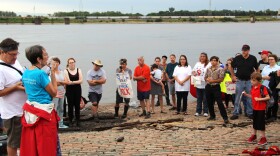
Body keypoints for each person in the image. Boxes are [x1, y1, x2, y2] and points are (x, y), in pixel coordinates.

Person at [20, 45, 59, 155]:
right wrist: (53, 73)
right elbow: (54, 92)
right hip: (44, 113)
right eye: (45, 55)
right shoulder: (41, 73)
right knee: (46, 146)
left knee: (33, 145)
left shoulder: (26, 72)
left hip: (31, 111)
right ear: (38, 59)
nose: (47, 57)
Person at [0, 38, 26, 156]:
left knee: (22, 141)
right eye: (12, 55)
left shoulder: (15, 62)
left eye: (17, 54)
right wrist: (15, 87)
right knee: (13, 143)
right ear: (2, 52)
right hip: (12, 113)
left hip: (22, 110)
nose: (15, 57)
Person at [230, 44, 259, 120]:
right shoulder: (238, 58)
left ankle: (249, 112)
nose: (244, 51)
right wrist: (233, 76)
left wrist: (257, 77)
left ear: (248, 50)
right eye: (243, 50)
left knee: (249, 98)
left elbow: (257, 68)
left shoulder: (253, 58)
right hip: (240, 80)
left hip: (249, 81)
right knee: (237, 97)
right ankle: (236, 112)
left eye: (245, 50)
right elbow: (231, 67)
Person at [244, 72, 270, 145]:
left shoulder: (262, 87)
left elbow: (268, 97)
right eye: (251, 80)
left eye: (254, 80)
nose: (252, 82)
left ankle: (263, 137)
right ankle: (254, 135)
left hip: (261, 108)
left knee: (261, 123)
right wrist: (246, 95)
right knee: (255, 122)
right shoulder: (252, 87)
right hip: (255, 108)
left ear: (259, 81)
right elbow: (253, 97)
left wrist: (259, 99)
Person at [205, 56, 229, 124]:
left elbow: (221, 79)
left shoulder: (220, 69)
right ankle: (212, 116)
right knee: (209, 102)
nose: (213, 62)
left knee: (219, 102)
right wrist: (207, 79)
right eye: (212, 60)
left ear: (217, 61)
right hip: (208, 86)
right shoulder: (208, 68)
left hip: (216, 86)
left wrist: (212, 81)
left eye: (215, 60)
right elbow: (205, 77)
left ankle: (225, 117)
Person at [51, 57, 69, 128]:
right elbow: (52, 82)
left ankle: (60, 123)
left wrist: (60, 82)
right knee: (54, 108)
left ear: (59, 63)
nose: (55, 64)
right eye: (54, 62)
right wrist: (61, 83)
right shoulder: (51, 72)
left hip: (62, 91)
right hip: (55, 92)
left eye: (57, 62)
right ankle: (53, 123)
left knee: (61, 108)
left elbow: (67, 82)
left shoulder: (62, 72)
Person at [64, 58, 83, 127]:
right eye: (70, 63)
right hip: (69, 90)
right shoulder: (66, 71)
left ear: (75, 62)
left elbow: (81, 81)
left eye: (73, 62)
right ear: (68, 64)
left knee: (77, 105)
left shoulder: (79, 70)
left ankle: (78, 120)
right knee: (70, 105)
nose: (72, 64)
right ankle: (70, 120)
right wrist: (75, 82)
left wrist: (72, 82)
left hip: (77, 89)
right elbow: (67, 82)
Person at [262, 54, 280, 121]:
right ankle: (268, 115)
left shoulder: (278, 68)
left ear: (275, 60)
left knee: (274, 101)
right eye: (269, 59)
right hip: (265, 86)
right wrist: (268, 77)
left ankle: (274, 115)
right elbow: (262, 76)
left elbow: (277, 78)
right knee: (267, 101)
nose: (270, 61)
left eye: (272, 59)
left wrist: (269, 77)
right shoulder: (265, 67)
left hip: (274, 87)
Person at [192, 52, 210, 117]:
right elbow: (193, 70)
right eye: (201, 56)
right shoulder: (197, 63)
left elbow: (210, 72)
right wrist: (194, 73)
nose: (202, 57)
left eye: (203, 56)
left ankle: (205, 111)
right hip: (198, 83)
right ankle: (198, 111)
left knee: (205, 98)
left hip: (205, 84)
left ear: (206, 57)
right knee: (199, 98)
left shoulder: (208, 64)